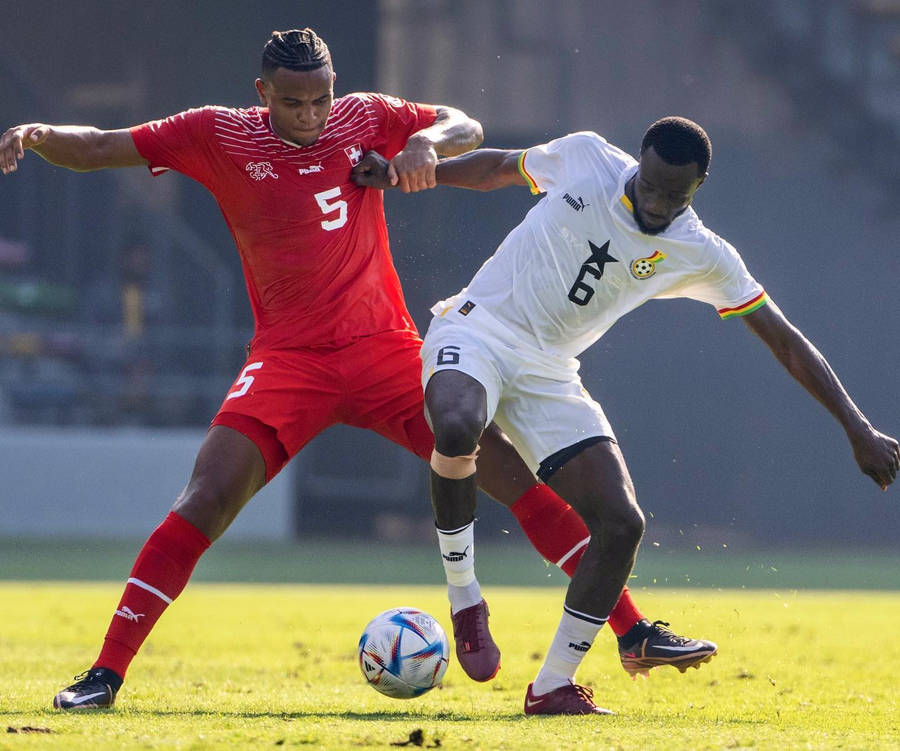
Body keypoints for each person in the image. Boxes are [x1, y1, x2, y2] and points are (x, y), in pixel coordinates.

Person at [0, 30, 713, 711]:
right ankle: (104, 671)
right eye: (293, 102)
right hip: (289, 361)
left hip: (389, 353)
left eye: (321, 99)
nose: (312, 116)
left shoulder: (365, 117)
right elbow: (98, 147)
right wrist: (36, 134)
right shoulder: (215, 133)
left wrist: (425, 147)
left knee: (509, 473)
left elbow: (462, 125)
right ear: (262, 93)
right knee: (206, 497)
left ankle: (630, 630)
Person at [354, 116, 900, 715]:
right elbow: (498, 167)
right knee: (457, 426)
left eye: (676, 195)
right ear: (637, 162)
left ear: (698, 188)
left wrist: (856, 426)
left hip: (549, 372)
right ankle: (465, 599)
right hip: (477, 327)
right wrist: (414, 175)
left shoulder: (702, 252)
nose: (658, 202)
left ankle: (554, 686)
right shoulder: (587, 157)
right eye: (652, 185)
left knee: (622, 523)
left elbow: (785, 340)